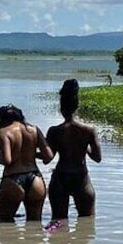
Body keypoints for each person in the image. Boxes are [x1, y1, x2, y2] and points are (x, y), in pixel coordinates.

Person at [44, 79, 102, 221]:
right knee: (87, 225)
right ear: (77, 106)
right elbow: (97, 158)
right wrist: (85, 147)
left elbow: (47, 159)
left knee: (57, 222)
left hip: (60, 178)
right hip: (81, 178)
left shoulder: (54, 131)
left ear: (61, 107)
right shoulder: (89, 130)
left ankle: (55, 240)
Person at [0, 104, 53, 223]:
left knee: (4, 225)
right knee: (35, 224)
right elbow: (48, 156)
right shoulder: (34, 130)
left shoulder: (3, 132)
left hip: (13, 179)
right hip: (35, 178)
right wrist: (30, 153)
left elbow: (7, 160)